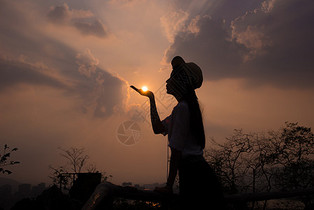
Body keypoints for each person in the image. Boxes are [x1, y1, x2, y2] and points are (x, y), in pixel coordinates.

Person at [132, 56, 225, 209]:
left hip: (193, 174)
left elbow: (176, 151)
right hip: (197, 172)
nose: (167, 82)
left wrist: (169, 186)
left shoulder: (182, 109)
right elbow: (158, 128)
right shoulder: (183, 109)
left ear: (180, 83)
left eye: (171, 79)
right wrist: (152, 99)